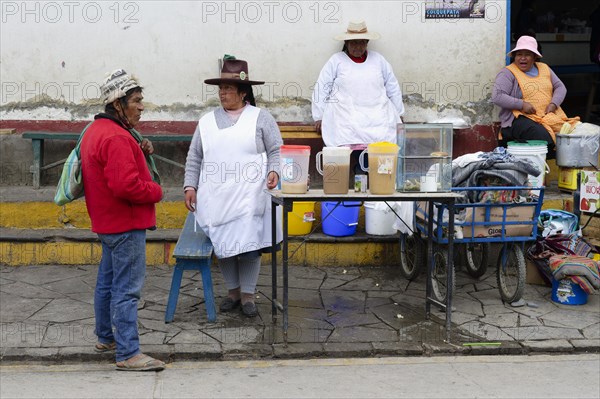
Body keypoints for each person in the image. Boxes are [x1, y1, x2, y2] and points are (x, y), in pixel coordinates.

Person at [183, 57, 283, 318]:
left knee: (249, 244)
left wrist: (274, 171)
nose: (223, 93)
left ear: (243, 92)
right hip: (217, 196)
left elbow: (275, 151)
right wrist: (189, 186)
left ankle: (248, 295)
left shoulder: (261, 118)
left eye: (228, 88)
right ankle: (233, 292)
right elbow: (195, 157)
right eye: (221, 89)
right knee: (223, 241)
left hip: (250, 196)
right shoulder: (206, 122)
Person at [80, 69, 165, 372]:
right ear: (118, 104)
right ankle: (128, 352)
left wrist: (140, 150)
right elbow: (125, 185)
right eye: (137, 101)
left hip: (106, 223)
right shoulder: (117, 137)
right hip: (125, 224)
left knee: (107, 283)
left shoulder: (97, 131)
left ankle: (106, 337)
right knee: (126, 290)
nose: (142, 106)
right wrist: (156, 190)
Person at [311, 20, 404, 173]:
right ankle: (358, 173)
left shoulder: (378, 60)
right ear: (347, 43)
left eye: (361, 43)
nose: (358, 47)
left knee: (379, 147)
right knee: (348, 139)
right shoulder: (336, 61)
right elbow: (322, 87)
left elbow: (392, 86)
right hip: (347, 115)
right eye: (354, 43)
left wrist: (399, 113)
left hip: (376, 115)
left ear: (367, 43)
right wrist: (318, 116)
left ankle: (371, 176)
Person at [492, 35, 580, 159]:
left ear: (535, 57)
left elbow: (560, 87)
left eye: (527, 54)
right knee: (541, 135)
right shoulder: (507, 73)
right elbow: (497, 96)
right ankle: (545, 169)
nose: (522, 58)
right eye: (519, 54)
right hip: (518, 120)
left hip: (547, 116)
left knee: (573, 132)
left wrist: (553, 104)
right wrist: (522, 104)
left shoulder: (544, 68)